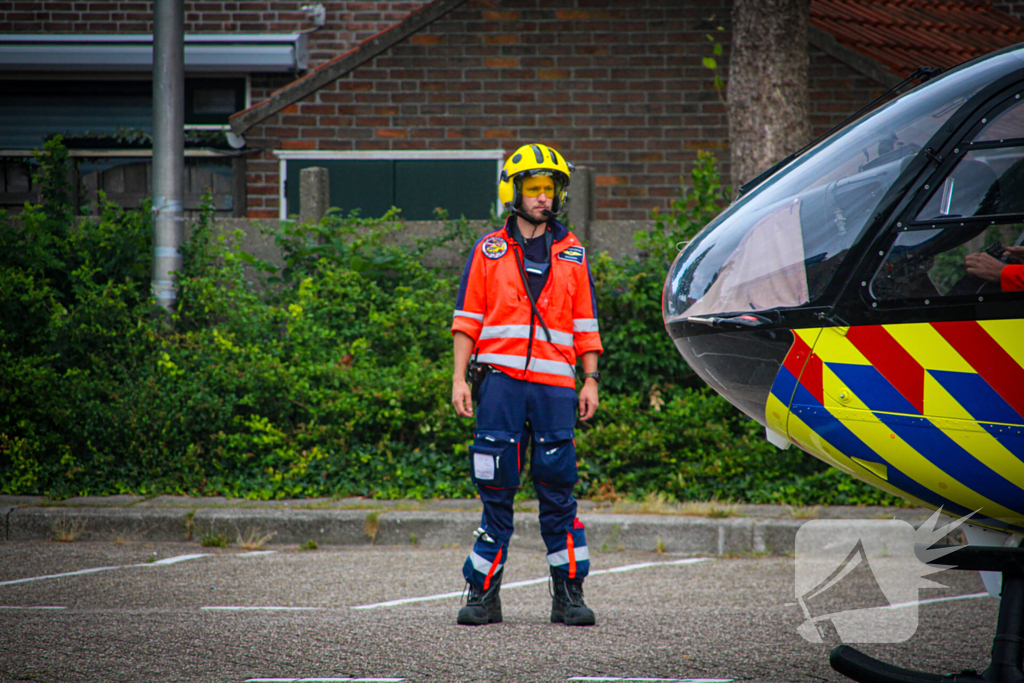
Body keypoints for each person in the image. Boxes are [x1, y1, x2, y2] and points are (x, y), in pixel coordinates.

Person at [450, 143, 602, 626]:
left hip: (555, 389)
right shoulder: (488, 251)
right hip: (500, 386)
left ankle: (569, 595)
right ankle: (483, 595)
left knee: (558, 493)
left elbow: (586, 324)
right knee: (495, 489)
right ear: (513, 193)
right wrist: (459, 378)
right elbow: (466, 321)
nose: (543, 197)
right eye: (534, 188)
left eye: (550, 189)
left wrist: (591, 379)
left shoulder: (573, 253)